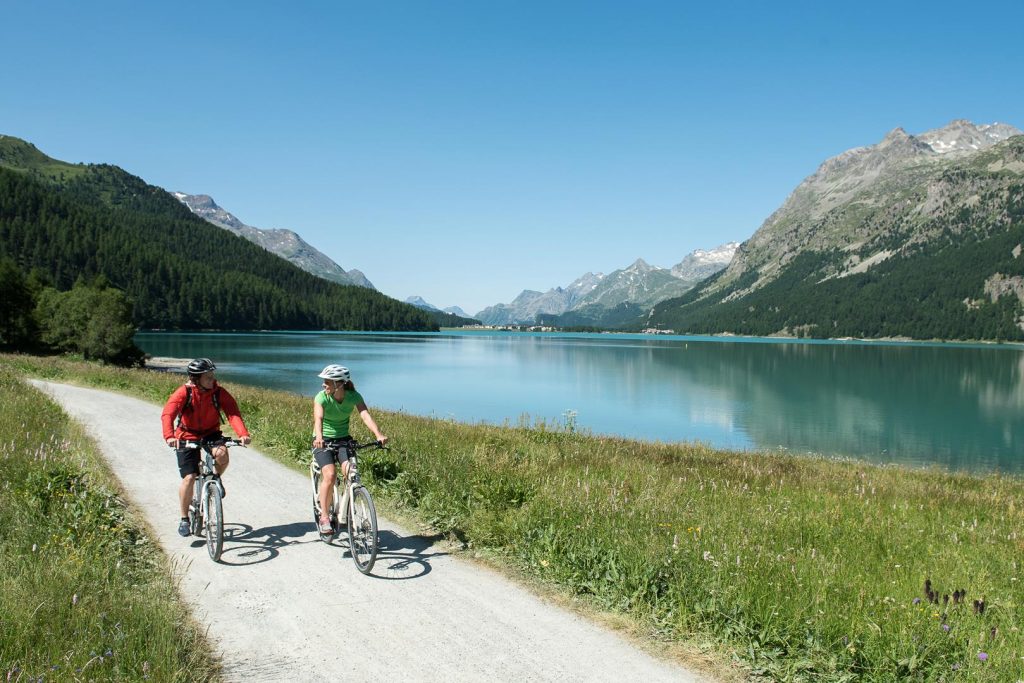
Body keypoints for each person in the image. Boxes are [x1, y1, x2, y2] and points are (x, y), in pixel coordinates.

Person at [161, 358, 251, 537]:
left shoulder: (218, 392)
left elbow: (232, 412)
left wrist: (242, 434)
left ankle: (216, 478)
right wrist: (170, 436)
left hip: (211, 434)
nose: (212, 380)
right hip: (186, 435)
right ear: (196, 379)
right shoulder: (183, 393)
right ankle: (184, 519)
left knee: (222, 454)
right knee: (189, 477)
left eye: (212, 376)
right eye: (208, 377)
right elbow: (168, 414)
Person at [312, 364, 387, 534]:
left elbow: (365, 415)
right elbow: (318, 418)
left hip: (343, 440)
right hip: (323, 441)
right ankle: (324, 516)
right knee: (330, 475)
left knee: (351, 473)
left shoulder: (353, 396)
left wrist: (378, 434)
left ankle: (347, 510)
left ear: (339, 384)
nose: (324, 385)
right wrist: (319, 438)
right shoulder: (321, 397)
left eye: (327, 382)